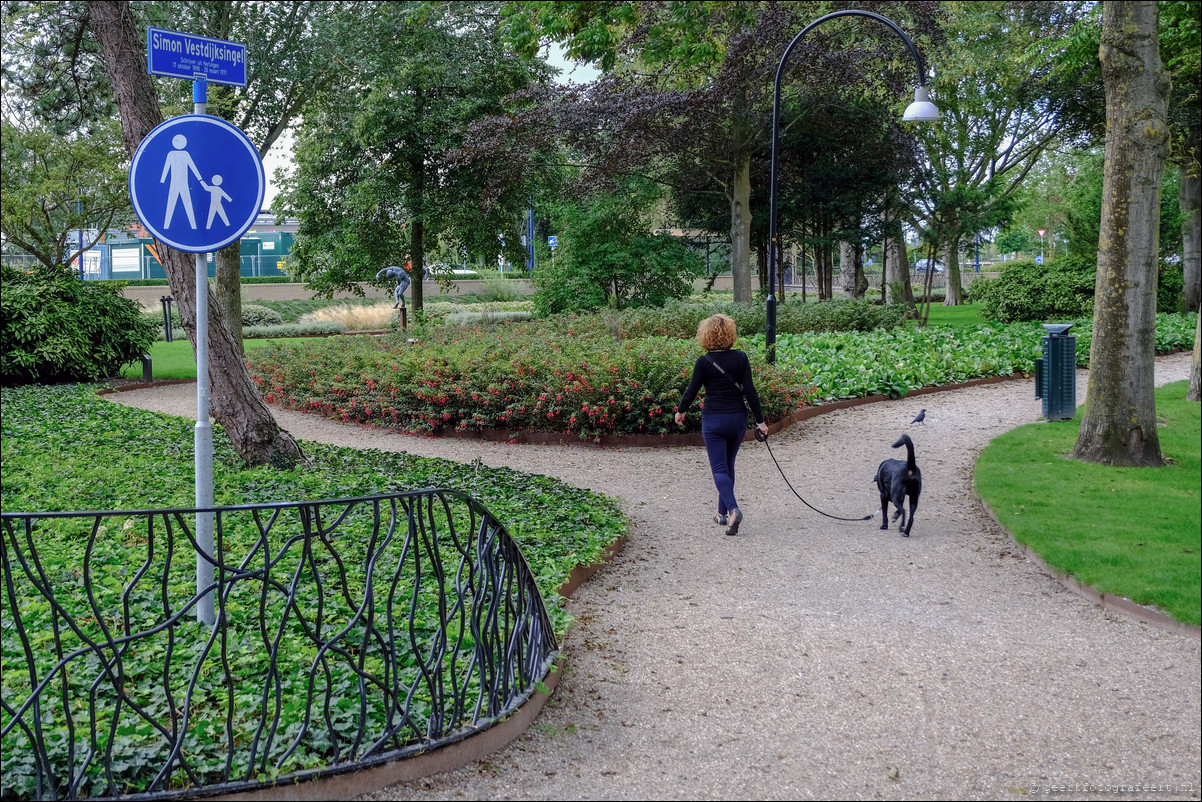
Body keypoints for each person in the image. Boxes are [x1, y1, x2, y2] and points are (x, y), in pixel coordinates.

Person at [674, 314, 769, 536]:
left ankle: (734, 510)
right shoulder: (741, 358)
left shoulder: (703, 362)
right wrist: (761, 422)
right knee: (728, 465)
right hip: (736, 419)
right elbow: (750, 392)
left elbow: (691, 391)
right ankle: (722, 514)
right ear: (730, 335)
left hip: (713, 420)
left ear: (705, 336)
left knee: (718, 468)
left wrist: (680, 411)